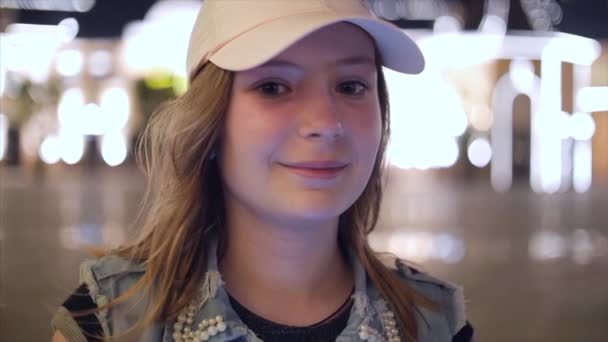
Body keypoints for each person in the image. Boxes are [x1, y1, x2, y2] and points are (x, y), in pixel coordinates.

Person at [51, 0, 474, 341]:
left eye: (351, 86)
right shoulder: (113, 317)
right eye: (273, 87)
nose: (325, 122)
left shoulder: (432, 321)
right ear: (210, 123)